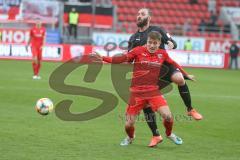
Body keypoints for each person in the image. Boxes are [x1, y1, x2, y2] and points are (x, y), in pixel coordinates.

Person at [97, 31, 194, 147]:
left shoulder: (162, 54)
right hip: (136, 93)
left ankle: (169, 134)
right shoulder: (138, 51)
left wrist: (186, 75)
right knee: (128, 125)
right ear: (147, 42)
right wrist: (103, 58)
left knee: (168, 117)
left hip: (153, 92)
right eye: (150, 42)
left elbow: (174, 63)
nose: (152, 45)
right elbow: (121, 59)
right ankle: (130, 137)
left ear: (159, 44)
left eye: (155, 43)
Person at [128, 8, 202, 147]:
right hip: (150, 74)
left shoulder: (158, 30)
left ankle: (190, 109)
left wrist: (171, 43)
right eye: (137, 14)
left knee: (179, 78)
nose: (139, 16)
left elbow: (172, 42)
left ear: (149, 17)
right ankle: (156, 135)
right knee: (147, 103)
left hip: (165, 66)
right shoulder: (133, 38)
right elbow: (129, 57)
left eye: (142, 14)